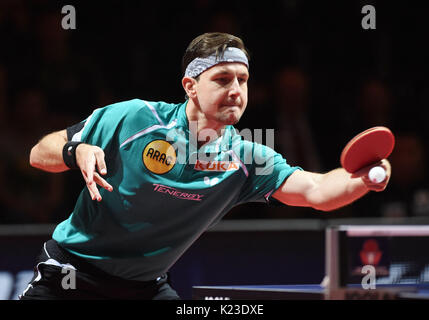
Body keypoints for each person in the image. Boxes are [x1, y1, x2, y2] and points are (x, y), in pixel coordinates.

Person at [22, 32, 391, 300]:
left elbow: (317, 192)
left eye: (243, 80)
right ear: (191, 86)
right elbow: (40, 153)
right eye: (222, 79)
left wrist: (363, 180)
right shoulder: (134, 119)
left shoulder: (246, 159)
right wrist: (77, 151)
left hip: (145, 289)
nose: (236, 90)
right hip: (69, 278)